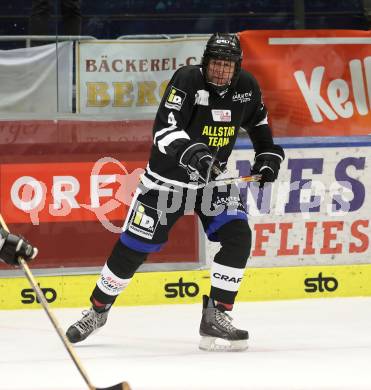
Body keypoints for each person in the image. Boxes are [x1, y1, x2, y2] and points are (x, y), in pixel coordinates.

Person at [66, 33, 285, 351]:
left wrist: (267, 155)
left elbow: (260, 122)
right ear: (205, 62)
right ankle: (97, 311)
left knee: (238, 236)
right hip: (166, 181)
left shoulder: (246, 87)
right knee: (133, 248)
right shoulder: (187, 80)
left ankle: (217, 315)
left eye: (227, 65)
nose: (220, 71)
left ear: (237, 67)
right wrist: (195, 153)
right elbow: (165, 129)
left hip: (212, 182)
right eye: (215, 63)